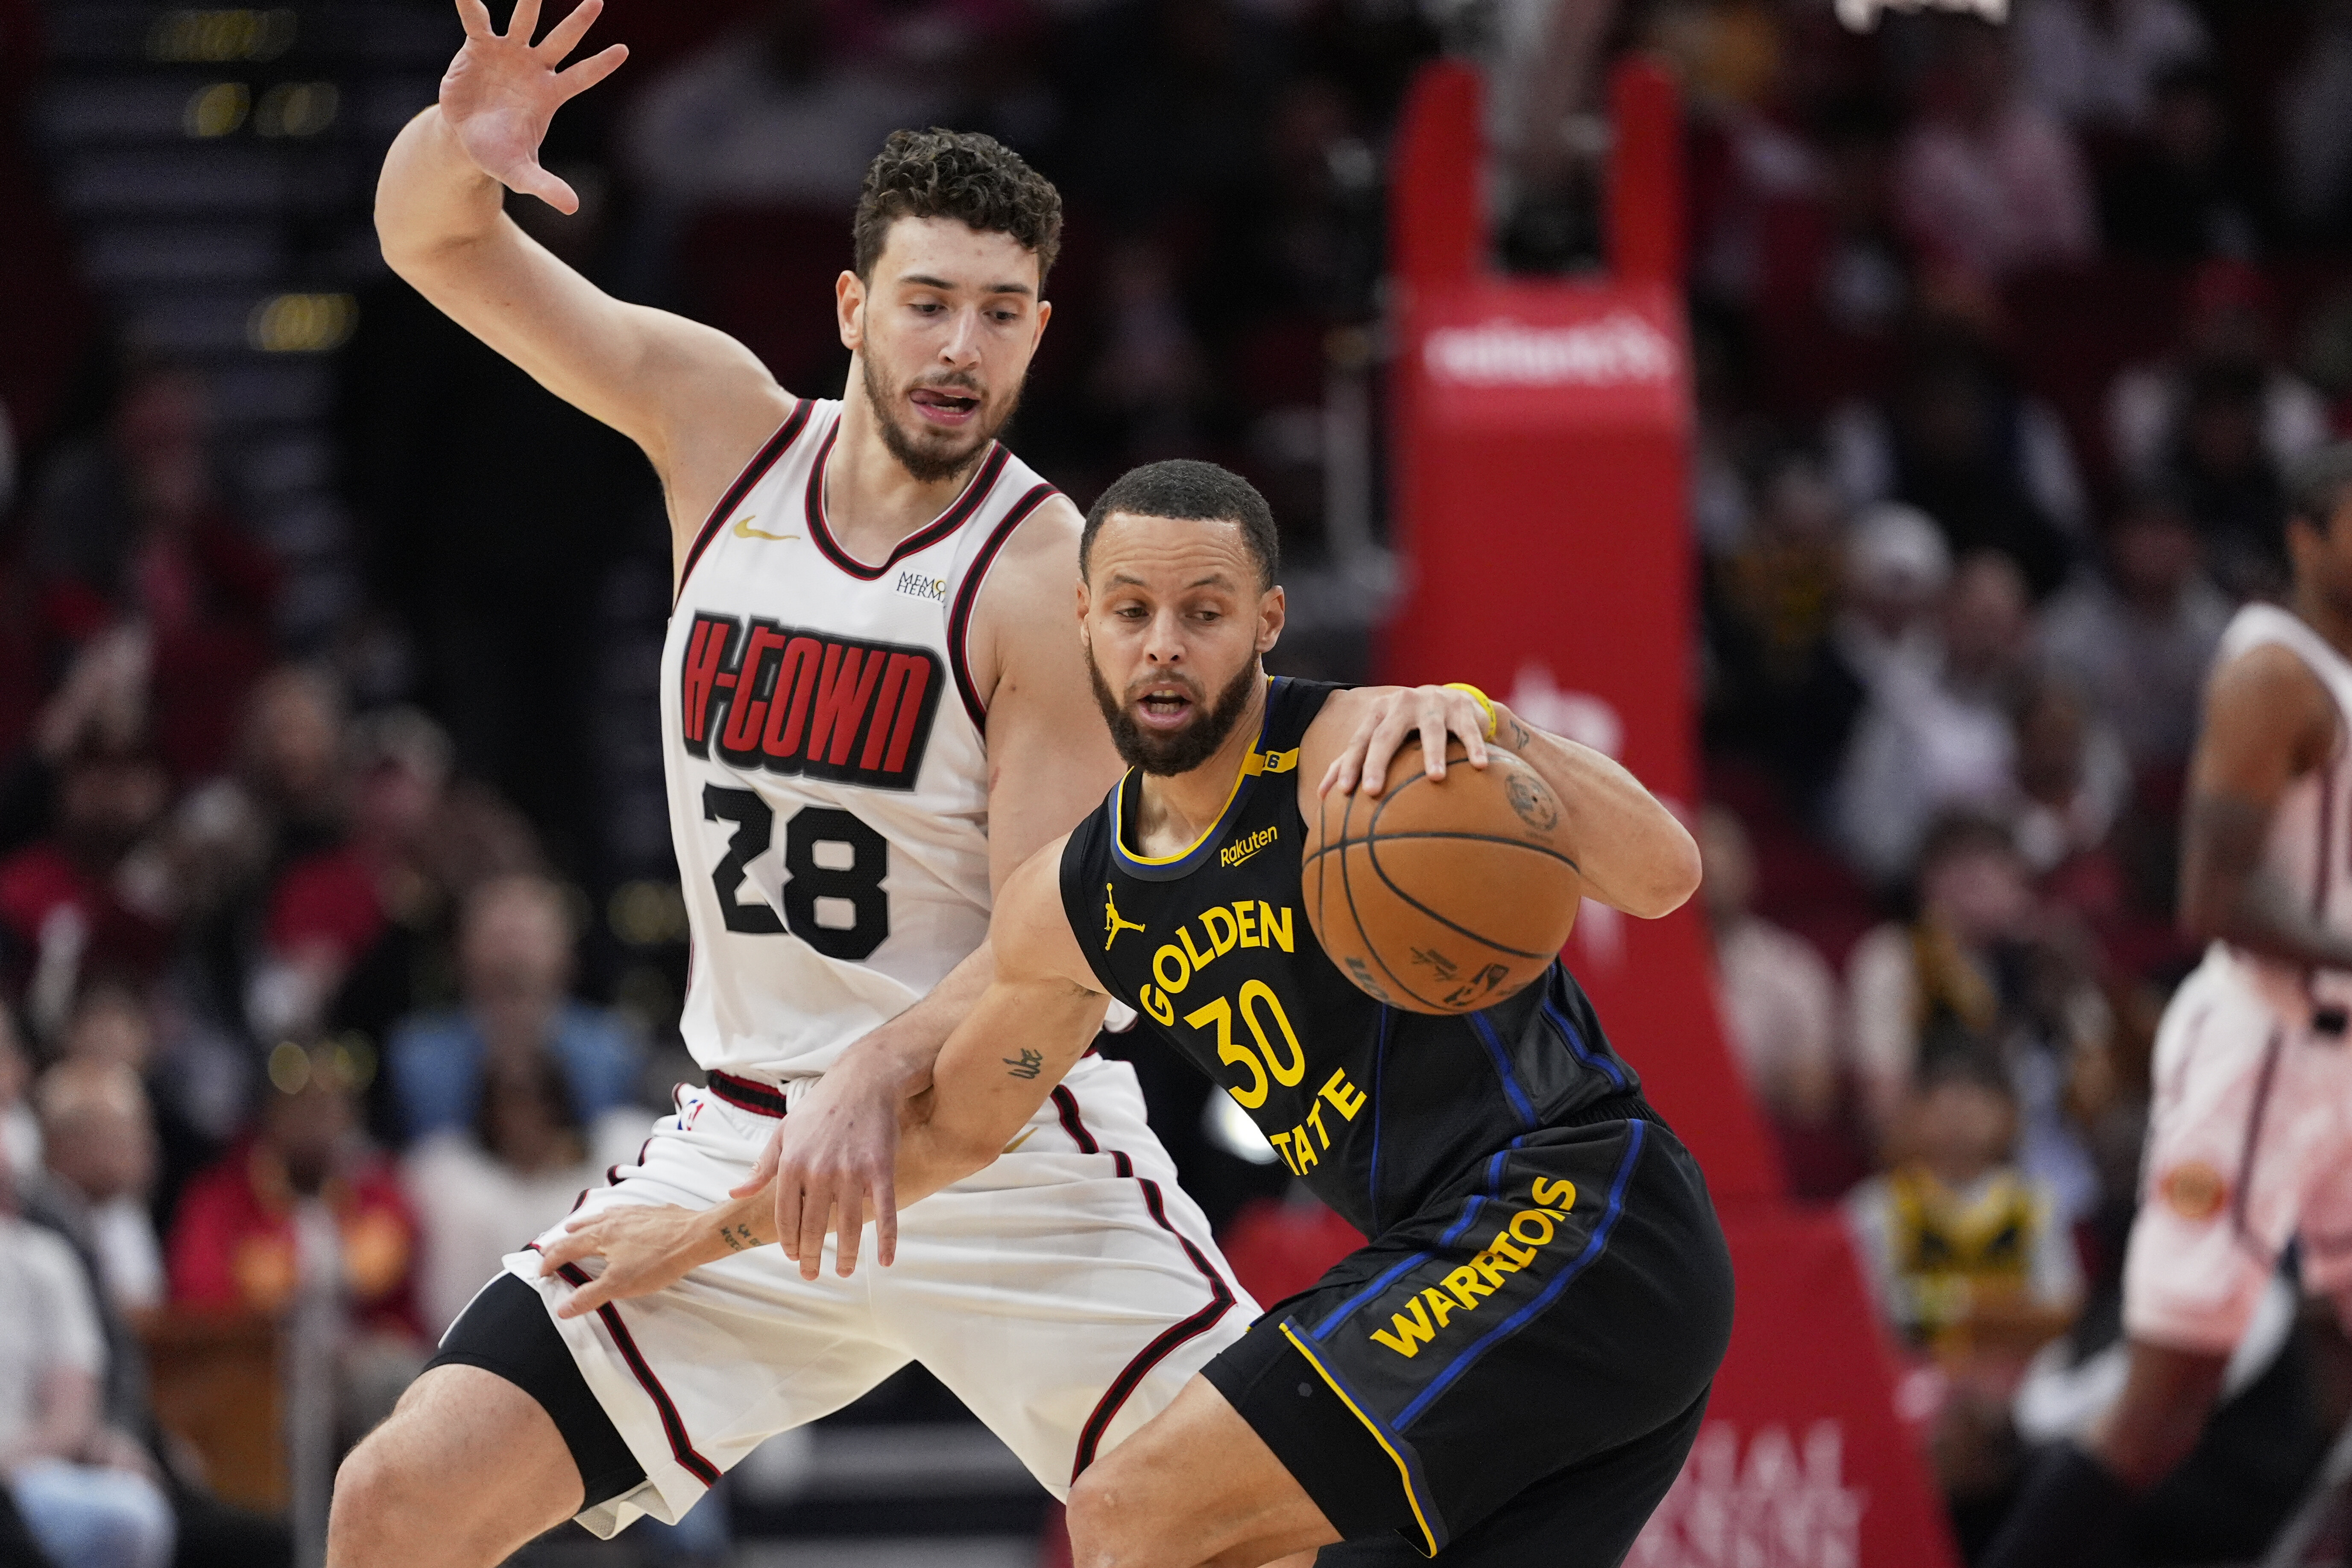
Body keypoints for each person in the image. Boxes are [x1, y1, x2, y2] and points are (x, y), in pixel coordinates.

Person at [330, 4, 1259, 1561]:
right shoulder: (718, 427)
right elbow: (435, 247)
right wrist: (455, 151)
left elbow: (1051, 980)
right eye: (927, 303)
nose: (959, 348)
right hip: (747, 1121)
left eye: (1002, 313)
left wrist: (872, 1073)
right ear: (848, 305)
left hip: (1004, 1150)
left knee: (1251, 1532)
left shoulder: (1050, 583)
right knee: (399, 1497)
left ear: (1041, 331)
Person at [548, 460, 1736, 1567]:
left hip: (1577, 1209)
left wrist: (1493, 724)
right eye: (1130, 611)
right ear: (1083, 622)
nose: (1164, 646)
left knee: (1128, 1503)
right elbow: (956, 1130)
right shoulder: (1080, 899)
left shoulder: (1363, 754)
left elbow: (1662, 873)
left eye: (1204, 612)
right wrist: (696, 1234)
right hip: (1476, 1260)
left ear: (1266, 621)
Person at [1981, 443, 2352, 1568]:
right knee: (2163, 1401)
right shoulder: (2270, 671)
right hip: (2265, 1049)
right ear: (2304, 533)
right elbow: (2211, 895)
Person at [0, 1153, 174, 1568]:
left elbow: (72, 1411)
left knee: (131, 1514)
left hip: (27, 1465)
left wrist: (13, 1461)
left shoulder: (44, 1262)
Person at [1845, 1052, 2082, 1346]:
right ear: (1913, 1116)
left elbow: (2062, 1305)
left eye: (1971, 1107)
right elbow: (1870, 1307)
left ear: (2005, 1116)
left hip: (2025, 1374)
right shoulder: (1878, 1206)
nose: (1957, 1123)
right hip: (1914, 1370)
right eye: (1943, 1109)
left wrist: (1963, 1309)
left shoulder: (2034, 1203)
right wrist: (1981, 1306)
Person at [384, 873, 641, 1144]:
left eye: (528, 938)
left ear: (566, 955)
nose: (513, 957)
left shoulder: (613, 1048)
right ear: (461, 952)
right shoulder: (418, 1055)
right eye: (498, 938)